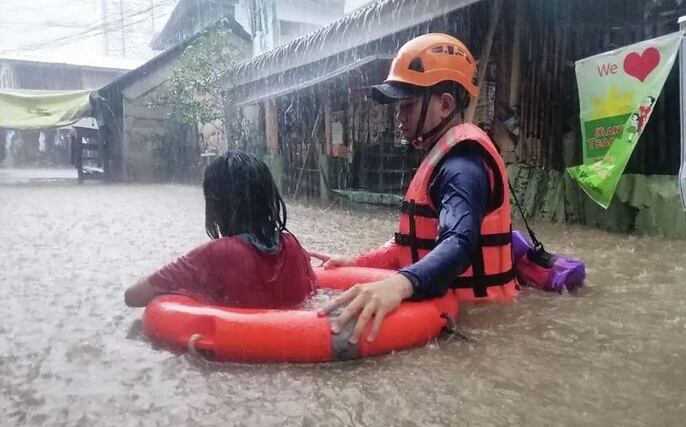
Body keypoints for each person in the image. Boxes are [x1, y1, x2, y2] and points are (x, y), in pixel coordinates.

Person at [313, 33, 517, 345]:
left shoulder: (462, 167)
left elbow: (459, 242)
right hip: (455, 311)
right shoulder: (441, 157)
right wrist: (356, 262)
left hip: (479, 324)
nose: (399, 119)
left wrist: (399, 285)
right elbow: (410, 246)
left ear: (445, 105)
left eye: (406, 107)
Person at [124, 150, 316, 309]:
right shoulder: (292, 246)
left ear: (216, 205)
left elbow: (133, 297)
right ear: (269, 197)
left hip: (237, 350)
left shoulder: (217, 253)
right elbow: (312, 291)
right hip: (292, 342)